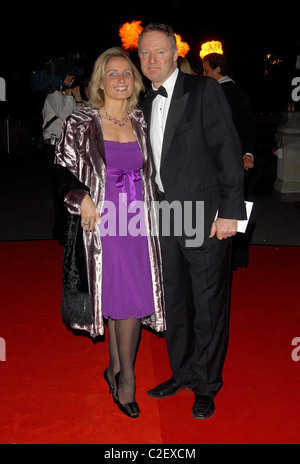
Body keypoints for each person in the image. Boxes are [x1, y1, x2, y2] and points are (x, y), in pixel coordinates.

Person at [138, 23, 246, 419]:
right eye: (144, 54)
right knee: (176, 300)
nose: (151, 60)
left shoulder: (204, 90)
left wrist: (231, 213)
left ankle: (206, 383)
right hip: (164, 217)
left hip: (205, 217)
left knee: (208, 303)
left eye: (159, 52)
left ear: (175, 54)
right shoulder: (143, 102)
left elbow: (228, 152)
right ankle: (181, 372)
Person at [53, 47, 165, 419]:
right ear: (100, 81)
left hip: (138, 223)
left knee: (130, 298)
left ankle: (118, 371)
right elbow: (60, 170)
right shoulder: (82, 122)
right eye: (112, 74)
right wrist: (80, 196)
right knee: (118, 298)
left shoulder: (142, 120)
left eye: (127, 74)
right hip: (101, 224)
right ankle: (125, 380)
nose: (121, 80)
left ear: (134, 81)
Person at [203, 53, 256, 268]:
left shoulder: (214, 93)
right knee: (238, 204)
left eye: (206, 71)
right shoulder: (240, 91)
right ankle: (238, 257)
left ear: (217, 70)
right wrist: (248, 154)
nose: (204, 75)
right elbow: (249, 127)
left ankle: (226, 259)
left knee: (226, 208)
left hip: (221, 163)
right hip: (241, 160)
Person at [42, 75, 85, 244]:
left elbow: (78, 120)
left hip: (69, 147)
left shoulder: (70, 98)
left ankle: (67, 231)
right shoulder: (54, 96)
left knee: (70, 190)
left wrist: (77, 98)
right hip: (54, 147)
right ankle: (60, 232)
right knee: (59, 190)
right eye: (70, 84)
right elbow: (66, 116)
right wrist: (68, 93)